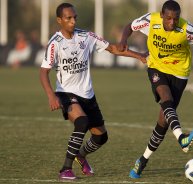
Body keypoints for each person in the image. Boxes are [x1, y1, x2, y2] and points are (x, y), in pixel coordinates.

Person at [39, 3, 146, 181]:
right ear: (59, 20)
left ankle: (80, 155)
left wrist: (139, 56)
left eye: (74, 17)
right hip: (66, 93)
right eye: (68, 18)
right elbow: (44, 72)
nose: (73, 21)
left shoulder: (86, 36)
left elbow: (112, 48)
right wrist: (51, 95)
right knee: (81, 122)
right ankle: (65, 169)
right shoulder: (54, 44)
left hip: (87, 94)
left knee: (101, 137)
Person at [118, 0, 193, 179]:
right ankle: (181, 138)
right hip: (156, 66)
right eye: (168, 18)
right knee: (165, 96)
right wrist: (124, 40)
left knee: (163, 120)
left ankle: (143, 160)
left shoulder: (187, 30)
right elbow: (129, 26)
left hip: (179, 73)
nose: (172, 23)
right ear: (162, 15)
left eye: (176, 19)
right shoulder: (150, 20)